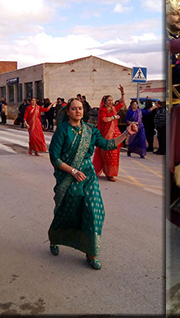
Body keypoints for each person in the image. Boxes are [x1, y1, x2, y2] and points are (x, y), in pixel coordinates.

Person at [48, 98, 138, 270]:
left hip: (88, 175)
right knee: (69, 211)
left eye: (80, 108)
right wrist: (73, 171)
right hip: (68, 177)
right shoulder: (62, 130)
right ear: (68, 112)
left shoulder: (90, 130)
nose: (77, 111)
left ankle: (92, 252)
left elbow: (108, 144)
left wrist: (126, 133)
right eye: (73, 109)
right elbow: (55, 158)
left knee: (94, 210)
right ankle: (56, 237)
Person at [92, 85, 126, 182]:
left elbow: (122, 102)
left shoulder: (114, 109)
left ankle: (111, 173)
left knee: (114, 154)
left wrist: (122, 93)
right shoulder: (103, 110)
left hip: (115, 134)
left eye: (111, 100)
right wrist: (114, 118)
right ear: (105, 102)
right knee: (107, 153)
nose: (111, 102)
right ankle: (108, 173)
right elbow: (104, 119)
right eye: (109, 100)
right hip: (106, 135)